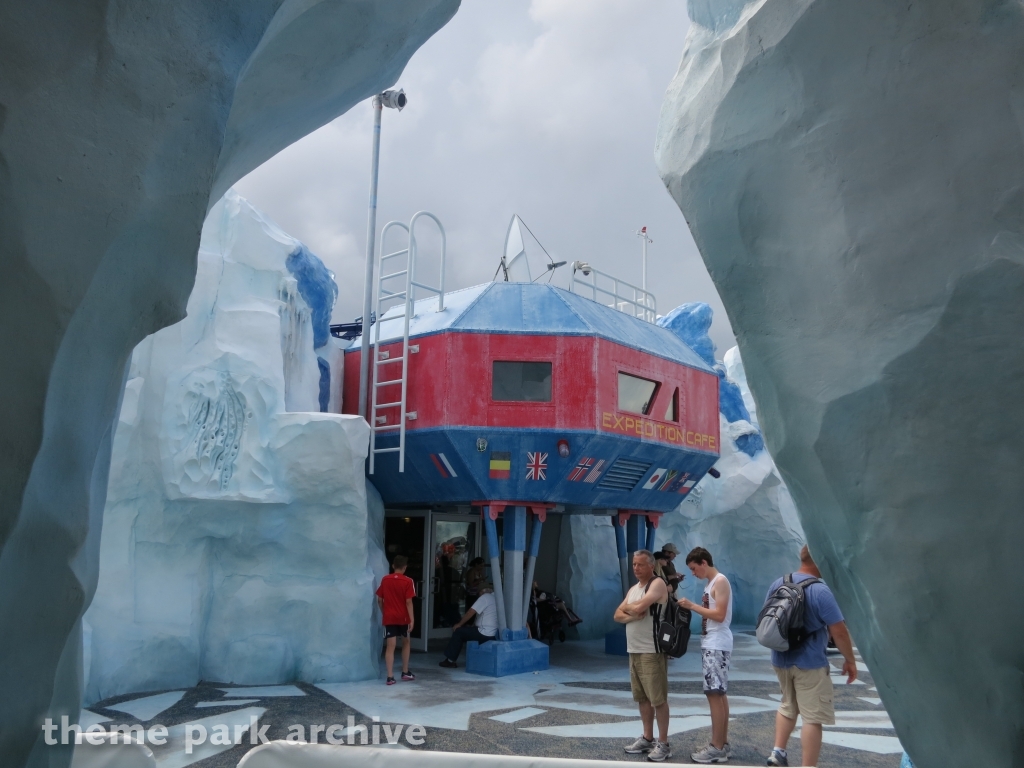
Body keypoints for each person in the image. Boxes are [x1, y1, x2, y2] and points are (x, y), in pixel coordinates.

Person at [765, 546, 858, 767]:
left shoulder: (779, 583)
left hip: (780, 658)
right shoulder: (821, 591)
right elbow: (839, 631)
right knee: (812, 717)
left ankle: (778, 752)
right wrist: (850, 660)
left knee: (787, 705)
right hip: (810, 663)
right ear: (818, 561)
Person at [614, 550, 671, 763]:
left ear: (651, 566)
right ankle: (647, 737)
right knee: (642, 697)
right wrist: (633, 613)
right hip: (634, 649)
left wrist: (630, 609)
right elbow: (617, 615)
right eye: (634, 564)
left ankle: (663, 743)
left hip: (651, 650)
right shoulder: (633, 589)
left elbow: (638, 607)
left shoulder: (657, 584)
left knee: (658, 698)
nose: (636, 568)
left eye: (640, 564)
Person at [678, 546, 732, 764]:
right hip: (713, 642)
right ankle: (722, 743)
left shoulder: (720, 581)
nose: (693, 573)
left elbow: (719, 615)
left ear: (704, 563)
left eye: (694, 568)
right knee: (719, 693)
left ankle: (717, 746)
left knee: (714, 694)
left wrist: (692, 606)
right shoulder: (712, 583)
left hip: (716, 643)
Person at [375, 555, 416, 685]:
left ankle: (390, 677)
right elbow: (408, 602)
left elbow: (379, 600)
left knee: (390, 646)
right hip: (403, 617)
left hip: (390, 617)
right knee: (406, 642)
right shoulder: (408, 581)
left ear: (393, 566)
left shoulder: (385, 579)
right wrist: (412, 619)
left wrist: (385, 612)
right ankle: (405, 672)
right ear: (405, 567)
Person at [439, 584, 498, 667]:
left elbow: (470, 612)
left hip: (484, 633)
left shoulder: (485, 597)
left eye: (479, 593)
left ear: (482, 592)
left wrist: (459, 624)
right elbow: (483, 616)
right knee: (467, 631)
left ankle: (450, 661)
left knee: (458, 632)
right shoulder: (496, 598)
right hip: (493, 634)